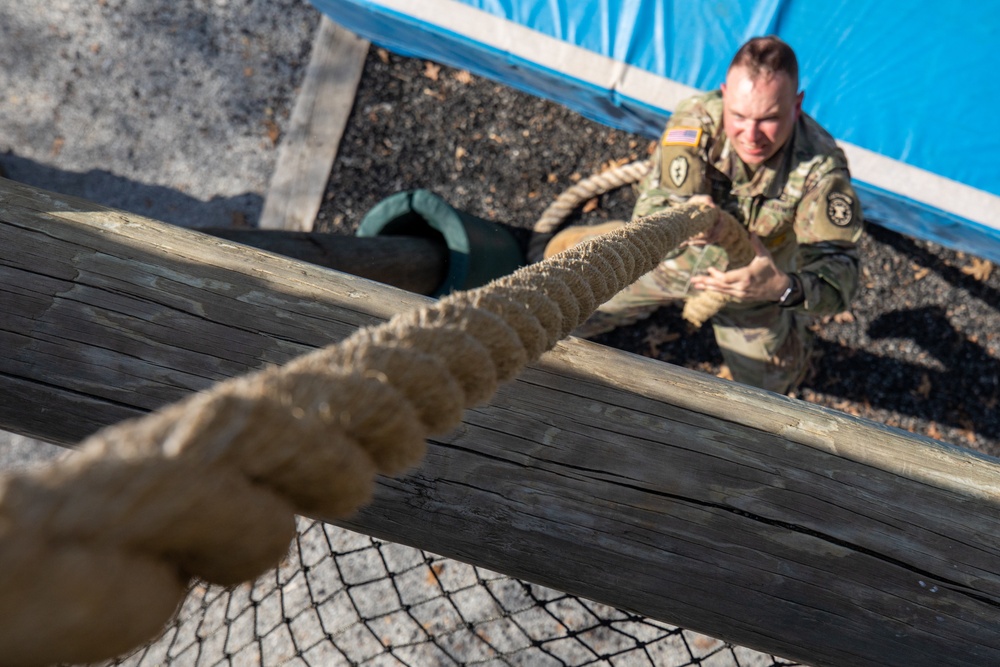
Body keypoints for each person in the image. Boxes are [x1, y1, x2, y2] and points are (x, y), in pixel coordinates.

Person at [544, 35, 863, 394]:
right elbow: (650, 211)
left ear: (797, 105)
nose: (751, 135)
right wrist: (684, 210)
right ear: (724, 95)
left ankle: (792, 344)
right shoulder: (696, 121)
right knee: (560, 306)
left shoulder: (819, 170)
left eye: (769, 118)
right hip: (670, 264)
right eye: (739, 115)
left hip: (750, 288)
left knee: (771, 387)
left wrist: (783, 287)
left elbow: (843, 278)